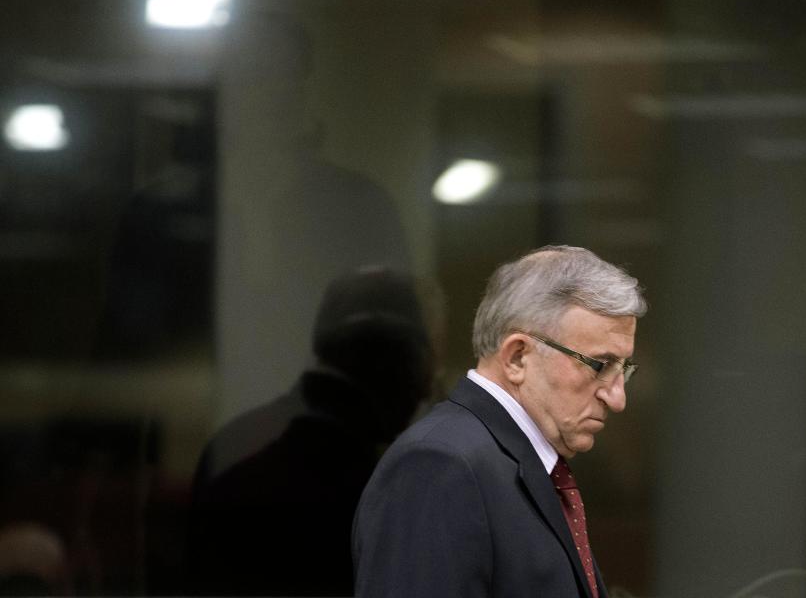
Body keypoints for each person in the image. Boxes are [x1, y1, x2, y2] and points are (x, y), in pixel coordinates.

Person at [352, 245, 647, 598]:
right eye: (600, 365)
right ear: (518, 357)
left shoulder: (514, 462)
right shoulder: (438, 465)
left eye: (623, 370)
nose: (617, 398)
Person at [185, 267, 434, 597]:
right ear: (394, 363)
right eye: (422, 364)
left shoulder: (233, 444)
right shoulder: (366, 482)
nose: (426, 391)